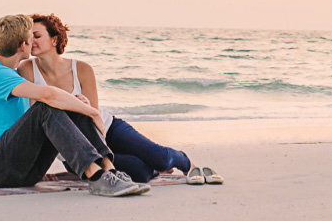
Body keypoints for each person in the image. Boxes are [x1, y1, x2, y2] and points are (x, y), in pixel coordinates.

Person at [0, 14, 148, 197]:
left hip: (24, 170)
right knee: (45, 106)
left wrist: (79, 106)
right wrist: (93, 113)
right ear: (23, 46)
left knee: (70, 104)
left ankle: (109, 170)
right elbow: (48, 95)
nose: (34, 43)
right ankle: (95, 177)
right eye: (32, 39)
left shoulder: (11, 74)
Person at [17, 13, 202, 184]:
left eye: (37, 35)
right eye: (29, 36)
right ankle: (156, 170)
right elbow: (36, 122)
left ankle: (184, 161)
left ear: (54, 39)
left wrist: (86, 107)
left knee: (160, 158)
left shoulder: (82, 69)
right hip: (73, 148)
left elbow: (95, 116)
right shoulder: (26, 70)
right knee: (141, 172)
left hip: (107, 128)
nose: (31, 41)